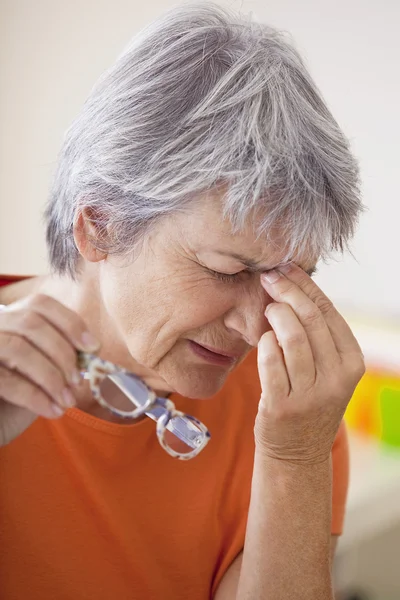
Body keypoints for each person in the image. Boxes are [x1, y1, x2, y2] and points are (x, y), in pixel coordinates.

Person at [0, 3, 364, 599]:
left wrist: (296, 462)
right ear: (100, 227)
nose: (255, 330)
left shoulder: (292, 418)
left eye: (286, 280)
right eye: (226, 270)